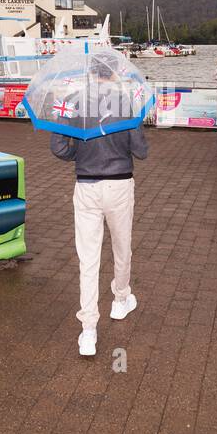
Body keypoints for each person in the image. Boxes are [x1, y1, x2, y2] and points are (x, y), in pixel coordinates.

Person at [50, 127, 149, 357]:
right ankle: (120, 299)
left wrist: (80, 154)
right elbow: (141, 151)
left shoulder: (75, 103)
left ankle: (88, 331)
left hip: (86, 184)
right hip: (120, 184)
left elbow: (58, 146)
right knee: (122, 247)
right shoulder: (126, 104)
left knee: (88, 259)